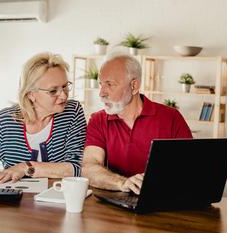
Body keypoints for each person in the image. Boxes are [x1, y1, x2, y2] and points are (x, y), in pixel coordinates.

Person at [0, 52, 87, 187]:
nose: (64, 96)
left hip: (57, 201)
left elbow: (77, 167)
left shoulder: (72, 112)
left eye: (65, 86)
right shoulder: (4, 121)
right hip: (13, 203)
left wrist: (26, 167)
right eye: (53, 91)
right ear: (31, 94)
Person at [81, 54, 192, 195]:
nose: (101, 93)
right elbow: (89, 167)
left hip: (162, 201)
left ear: (134, 86)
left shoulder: (171, 117)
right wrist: (122, 183)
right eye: (101, 84)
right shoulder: (98, 120)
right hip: (116, 204)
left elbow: (188, 169)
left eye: (110, 84)